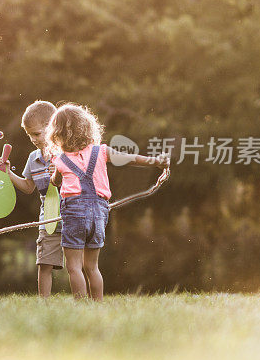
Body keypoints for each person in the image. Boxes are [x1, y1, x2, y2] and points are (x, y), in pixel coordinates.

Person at [48, 103, 169, 301]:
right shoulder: (101, 151)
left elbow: (56, 181)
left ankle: (81, 306)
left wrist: (53, 179)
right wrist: (154, 161)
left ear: (57, 134)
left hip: (74, 213)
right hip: (99, 212)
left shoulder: (60, 160)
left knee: (74, 266)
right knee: (92, 266)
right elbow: (129, 158)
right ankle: (98, 304)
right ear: (87, 128)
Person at [0, 100, 63, 298]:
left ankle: (85, 300)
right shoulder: (33, 158)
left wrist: (61, 172)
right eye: (29, 135)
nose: (33, 139)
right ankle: (44, 303)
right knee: (44, 262)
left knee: (79, 262)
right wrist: (8, 173)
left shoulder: (66, 153)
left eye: (37, 134)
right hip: (47, 218)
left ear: (53, 127)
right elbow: (27, 187)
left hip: (72, 214)